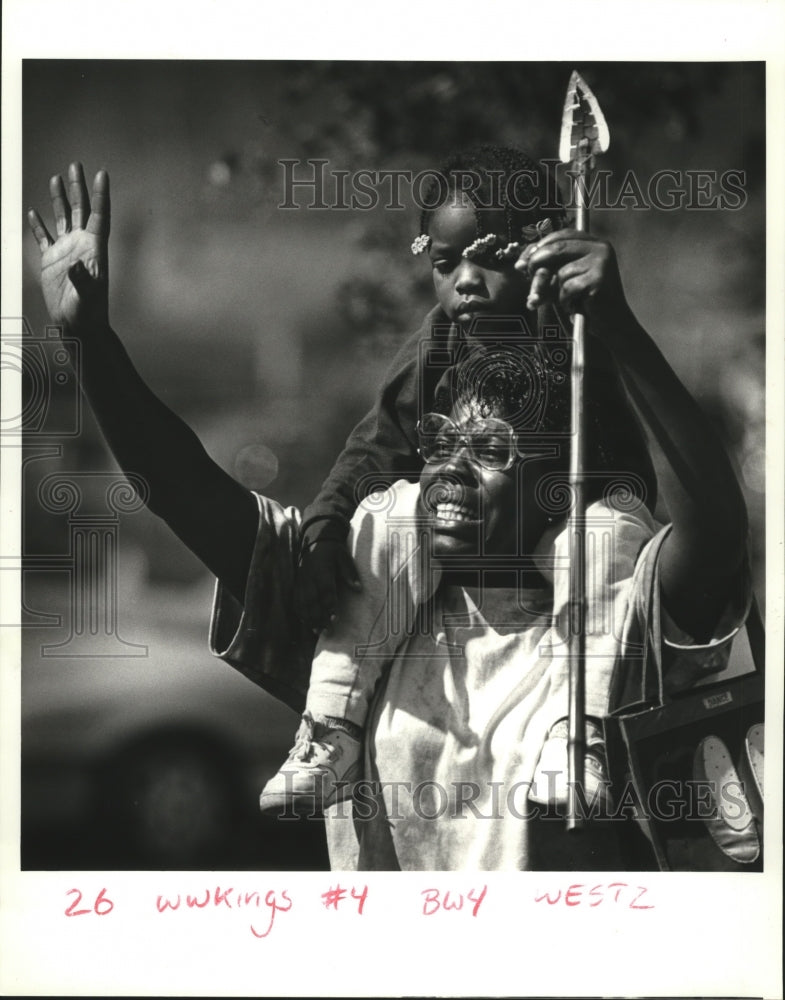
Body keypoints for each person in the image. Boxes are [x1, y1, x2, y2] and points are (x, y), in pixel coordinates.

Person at [27, 158, 751, 870]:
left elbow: (715, 528)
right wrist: (91, 345)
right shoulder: (361, 592)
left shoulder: (611, 614)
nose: (450, 470)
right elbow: (184, 487)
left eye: (491, 449)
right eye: (438, 442)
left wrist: (616, 329)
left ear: (555, 480)